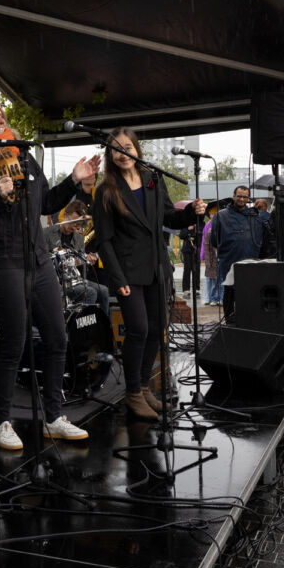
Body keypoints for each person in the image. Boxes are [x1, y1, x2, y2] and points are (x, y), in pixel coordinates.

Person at [0, 99, 99, 449]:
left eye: (1, 115)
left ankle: (53, 418)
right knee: (13, 343)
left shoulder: (24, 158)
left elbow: (48, 204)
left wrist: (74, 181)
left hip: (38, 262)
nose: (0, 119)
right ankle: (1, 421)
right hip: (3, 264)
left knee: (57, 338)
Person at [90, 127, 204, 418]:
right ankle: (132, 393)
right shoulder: (106, 191)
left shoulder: (153, 179)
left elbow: (170, 217)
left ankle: (143, 389)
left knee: (156, 330)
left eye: (127, 147)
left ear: (137, 150)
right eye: (116, 148)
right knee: (138, 330)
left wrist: (191, 211)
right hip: (127, 272)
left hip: (155, 268)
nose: (122, 153)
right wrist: (117, 279)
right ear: (110, 155)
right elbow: (104, 240)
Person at [45, 200, 111, 314]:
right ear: (65, 215)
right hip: (55, 281)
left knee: (104, 291)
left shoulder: (79, 238)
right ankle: (84, 330)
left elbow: (79, 265)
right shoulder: (47, 233)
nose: (75, 226)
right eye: (73, 222)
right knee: (90, 293)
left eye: (79, 224)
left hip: (75, 280)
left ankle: (103, 328)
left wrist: (87, 260)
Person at [209, 185, 263, 303]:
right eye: (239, 196)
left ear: (248, 198)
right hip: (228, 262)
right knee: (229, 294)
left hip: (250, 262)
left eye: (245, 197)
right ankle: (229, 320)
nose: (242, 199)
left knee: (249, 295)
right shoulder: (221, 216)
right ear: (233, 196)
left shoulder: (254, 216)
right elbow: (214, 240)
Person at [202, 216, 221, 305]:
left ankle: (220, 298)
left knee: (221, 281)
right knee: (213, 280)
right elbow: (206, 248)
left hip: (221, 259)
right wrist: (207, 261)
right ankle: (213, 298)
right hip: (213, 260)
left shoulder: (223, 233)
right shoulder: (209, 233)